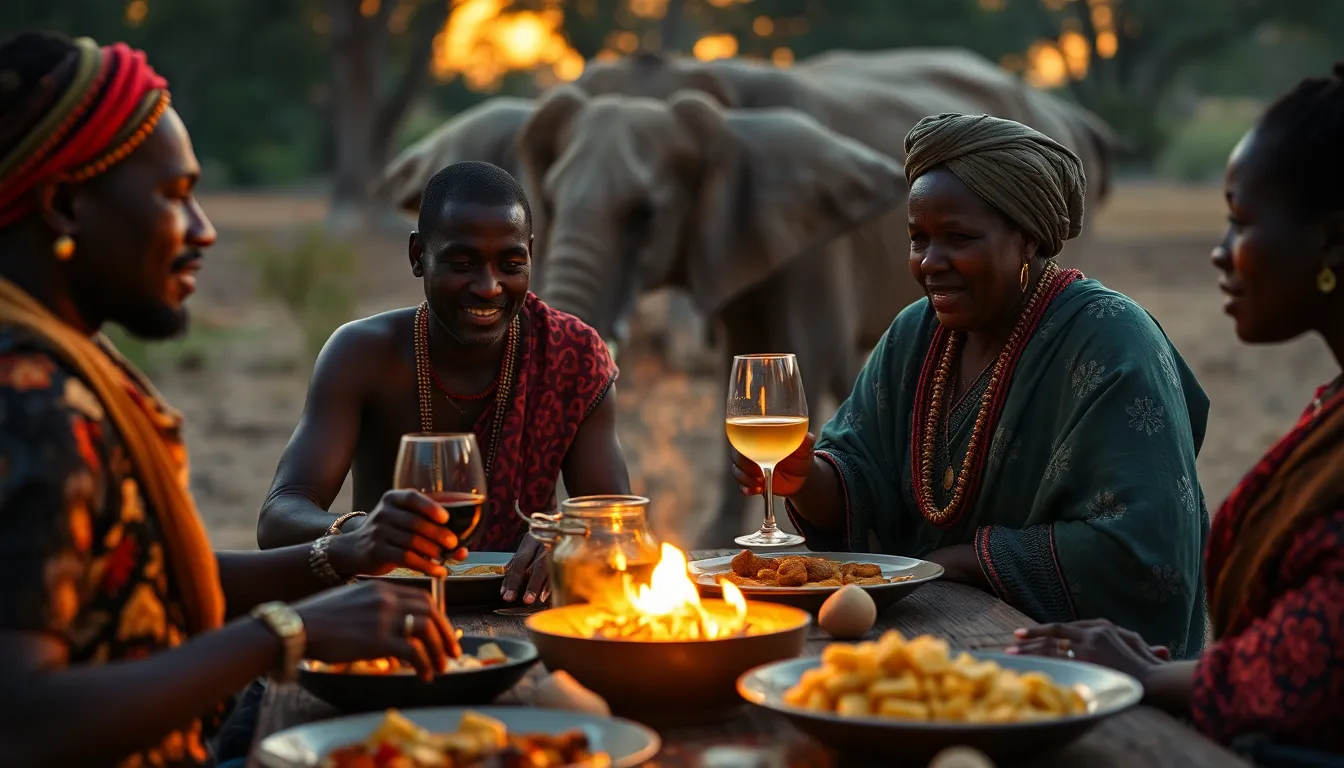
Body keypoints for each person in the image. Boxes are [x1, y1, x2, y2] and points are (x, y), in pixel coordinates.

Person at [0, 32, 460, 767]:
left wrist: (342, 554)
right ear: (63, 204)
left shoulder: (63, 366)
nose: (204, 231)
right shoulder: (32, 406)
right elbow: (21, 722)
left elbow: (143, 578)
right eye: (174, 196)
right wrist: (285, 634)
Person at [732, 113, 1211, 657]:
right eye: (918, 239)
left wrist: (960, 562)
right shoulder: (916, 333)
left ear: (1028, 238)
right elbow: (859, 477)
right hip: (923, 637)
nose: (929, 263)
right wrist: (804, 478)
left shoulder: (1111, 340)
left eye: (958, 238)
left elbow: (1146, 549)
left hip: (1069, 662)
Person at [1012, 66, 1344, 764]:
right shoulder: (1330, 408)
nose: (1220, 253)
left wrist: (1148, 675)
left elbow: (1317, 665)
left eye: (1241, 222)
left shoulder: (1110, 335)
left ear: (1332, 242)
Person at [255, 161, 631, 606]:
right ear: (418, 256)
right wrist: (362, 531)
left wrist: (570, 536)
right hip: (385, 607)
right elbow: (280, 515)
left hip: (524, 610)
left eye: (511, 263)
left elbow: (618, 526)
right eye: (462, 263)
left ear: (531, 254)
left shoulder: (572, 356)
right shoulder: (362, 354)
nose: (489, 286)